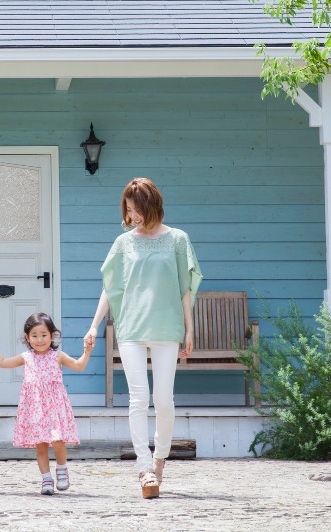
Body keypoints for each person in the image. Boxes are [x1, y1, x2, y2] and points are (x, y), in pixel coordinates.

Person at [84, 178, 202, 499]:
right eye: (129, 210)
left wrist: (190, 330)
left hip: (167, 327)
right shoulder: (124, 243)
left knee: (163, 400)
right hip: (132, 327)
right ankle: (144, 466)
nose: (132, 216)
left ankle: (160, 459)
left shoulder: (177, 240)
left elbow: (184, 288)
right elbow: (111, 287)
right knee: (138, 399)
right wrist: (94, 326)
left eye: (137, 210)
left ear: (151, 206)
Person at [0, 312, 93, 495]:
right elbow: (3, 362)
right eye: (34, 335)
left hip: (54, 407)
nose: (39, 340)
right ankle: (46, 479)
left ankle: (62, 469)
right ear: (27, 337)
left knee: (57, 440)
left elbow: (79, 365)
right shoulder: (26, 357)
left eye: (44, 335)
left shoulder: (58, 356)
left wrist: (87, 351)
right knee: (41, 445)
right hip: (36, 409)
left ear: (52, 336)